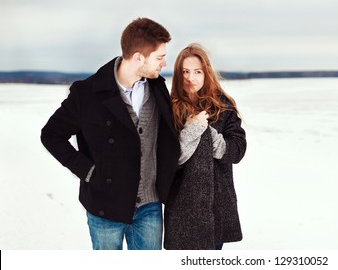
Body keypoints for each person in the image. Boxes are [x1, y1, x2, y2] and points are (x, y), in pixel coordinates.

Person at [40, 17, 180, 250]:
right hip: (105, 207)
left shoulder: (158, 88)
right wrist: (86, 170)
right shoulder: (86, 93)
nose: (164, 63)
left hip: (150, 206)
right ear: (138, 58)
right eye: (159, 57)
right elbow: (51, 135)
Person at [164, 43, 247, 250]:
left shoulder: (224, 107)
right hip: (182, 206)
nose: (190, 78)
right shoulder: (168, 108)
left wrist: (206, 131)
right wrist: (192, 129)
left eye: (197, 71)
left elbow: (236, 151)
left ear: (206, 72)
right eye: (185, 71)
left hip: (216, 204)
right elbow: (170, 160)